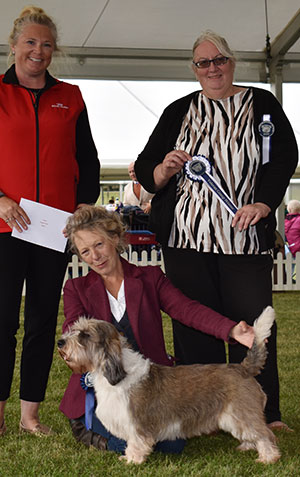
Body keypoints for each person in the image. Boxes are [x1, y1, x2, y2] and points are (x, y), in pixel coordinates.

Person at [134, 30, 298, 430]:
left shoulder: (263, 104)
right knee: (195, 327)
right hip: (186, 240)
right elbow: (146, 169)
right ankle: (201, 415)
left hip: (243, 237)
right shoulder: (178, 111)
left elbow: (283, 159)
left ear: (232, 62)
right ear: (194, 69)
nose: (213, 68)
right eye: (204, 63)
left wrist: (263, 203)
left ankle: (265, 412)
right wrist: (165, 169)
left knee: (253, 326)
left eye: (219, 60)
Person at [59, 205, 254, 453]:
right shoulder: (76, 288)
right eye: (85, 251)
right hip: (106, 387)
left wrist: (232, 330)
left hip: (150, 388)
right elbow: (71, 333)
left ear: (115, 238)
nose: (95, 256)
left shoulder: (150, 277)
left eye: (99, 245)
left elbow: (186, 309)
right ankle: (90, 431)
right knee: (125, 441)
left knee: (171, 446)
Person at [0, 6, 100, 436]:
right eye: (30, 43)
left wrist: (82, 205)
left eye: (46, 44)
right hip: (6, 227)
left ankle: (29, 415)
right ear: (13, 45)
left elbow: (89, 161)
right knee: (3, 321)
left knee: (42, 323)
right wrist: (0, 200)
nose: (38, 52)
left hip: (53, 230)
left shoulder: (72, 97)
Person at [285, 200, 300, 280]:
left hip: (289, 247)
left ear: (289, 209)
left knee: (290, 264)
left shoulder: (285, 221)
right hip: (298, 247)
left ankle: (288, 278)